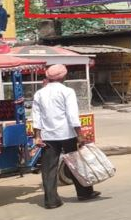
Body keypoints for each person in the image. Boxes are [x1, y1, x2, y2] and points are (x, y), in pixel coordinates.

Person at [32, 64, 99, 209]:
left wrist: (37, 135)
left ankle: (51, 200)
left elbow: (36, 116)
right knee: (76, 163)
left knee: (48, 168)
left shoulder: (39, 93)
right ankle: (84, 193)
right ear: (63, 76)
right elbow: (72, 115)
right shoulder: (67, 91)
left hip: (48, 135)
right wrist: (79, 134)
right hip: (67, 134)